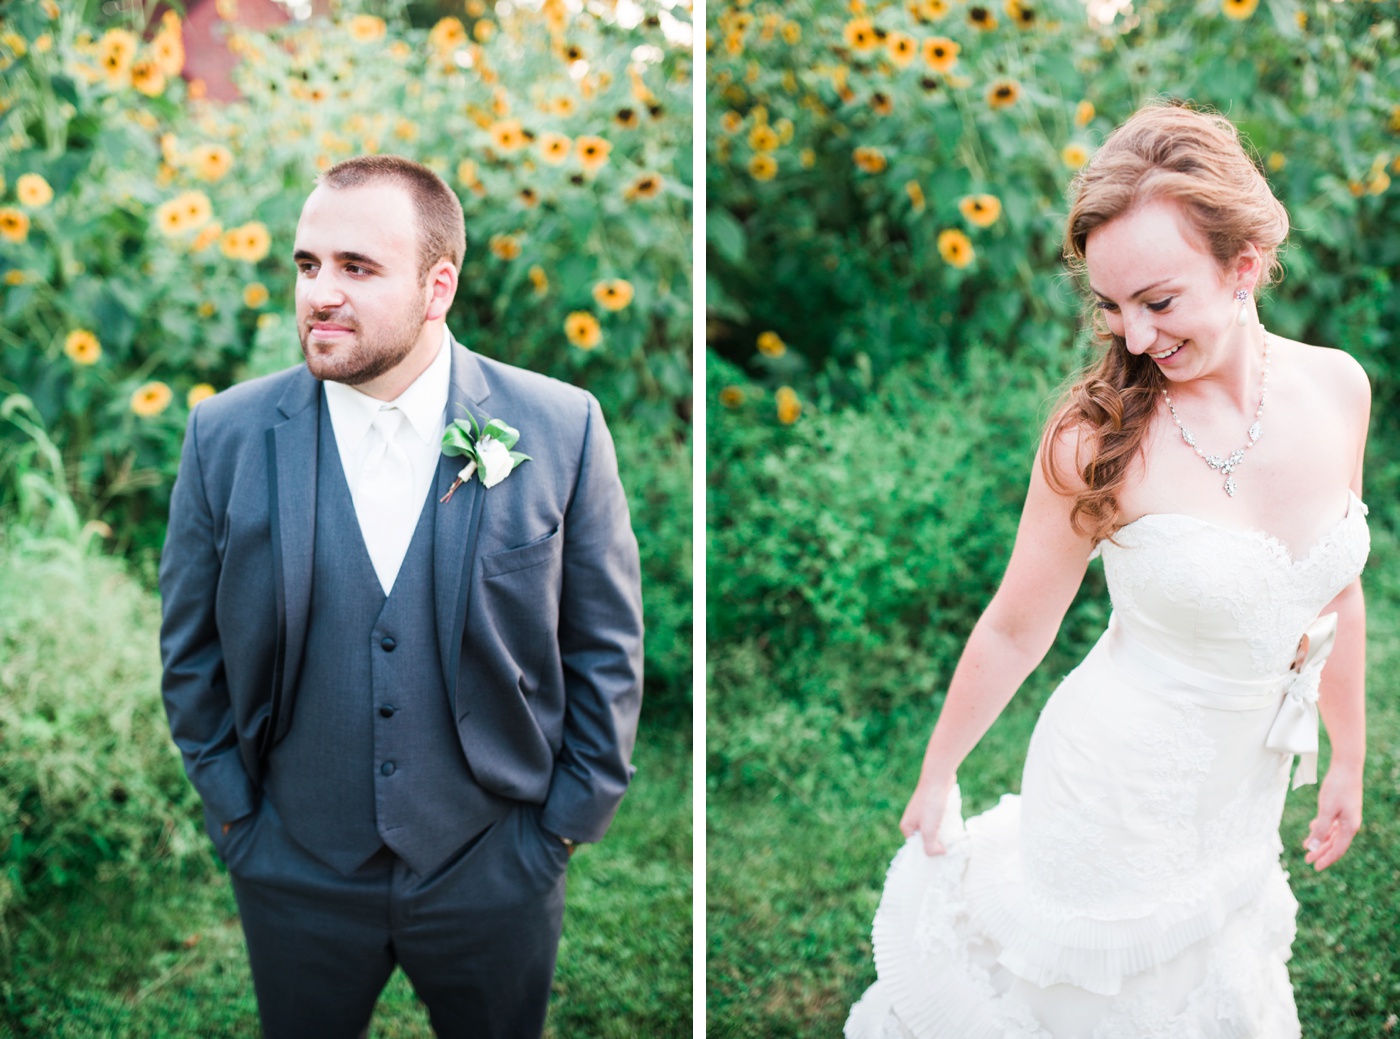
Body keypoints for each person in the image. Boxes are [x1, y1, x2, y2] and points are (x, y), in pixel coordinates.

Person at [845, 102, 1370, 1037]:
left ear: (1243, 265)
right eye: (1112, 306)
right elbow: (1016, 624)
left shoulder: (1338, 389)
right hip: (1111, 801)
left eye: (1158, 302)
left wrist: (1349, 755)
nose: (1132, 338)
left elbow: (1333, 587)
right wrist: (937, 772)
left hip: (1237, 801)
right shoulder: (1097, 441)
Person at [159, 154, 644, 1039]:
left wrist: (562, 829)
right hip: (294, 863)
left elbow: (604, 642)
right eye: (308, 265)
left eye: (357, 267)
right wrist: (237, 815)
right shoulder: (223, 435)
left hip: (494, 861)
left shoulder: (558, 426)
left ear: (437, 285)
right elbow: (189, 649)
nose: (320, 294)